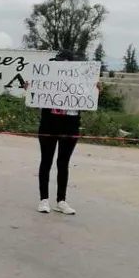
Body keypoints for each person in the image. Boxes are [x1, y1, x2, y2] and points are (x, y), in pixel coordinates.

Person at [33, 50, 98, 215]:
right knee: (46, 161)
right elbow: (34, 94)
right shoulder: (47, 79)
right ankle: (44, 199)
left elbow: (87, 101)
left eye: (63, 62)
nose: (60, 65)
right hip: (49, 126)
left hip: (70, 126)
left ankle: (61, 201)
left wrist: (96, 91)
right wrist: (30, 89)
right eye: (58, 62)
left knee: (63, 163)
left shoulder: (81, 82)